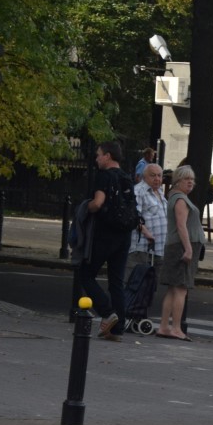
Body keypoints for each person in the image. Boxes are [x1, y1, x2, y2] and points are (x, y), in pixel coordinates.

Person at [78, 140, 133, 340]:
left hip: (105, 233)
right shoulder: (126, 177)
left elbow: (98, 203)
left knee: (86, 274)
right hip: (124, 234)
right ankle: (117, 328)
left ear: (108, 156)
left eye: (99, 154)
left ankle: (108, 313)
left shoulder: (104, 176)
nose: (97, 158)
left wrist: (87, 207)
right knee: (116, 281)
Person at [156, 164, 204, 340]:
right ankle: (176, 328)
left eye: (192, 179)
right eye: (186, 179)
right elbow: (181, 225)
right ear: (177, 181)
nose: (190, 182)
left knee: (173, 288)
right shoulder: (180, 199)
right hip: (181, 247)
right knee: (181, 289)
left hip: (176, 246)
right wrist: (189, 249)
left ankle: (164, 327)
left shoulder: (177, 197)